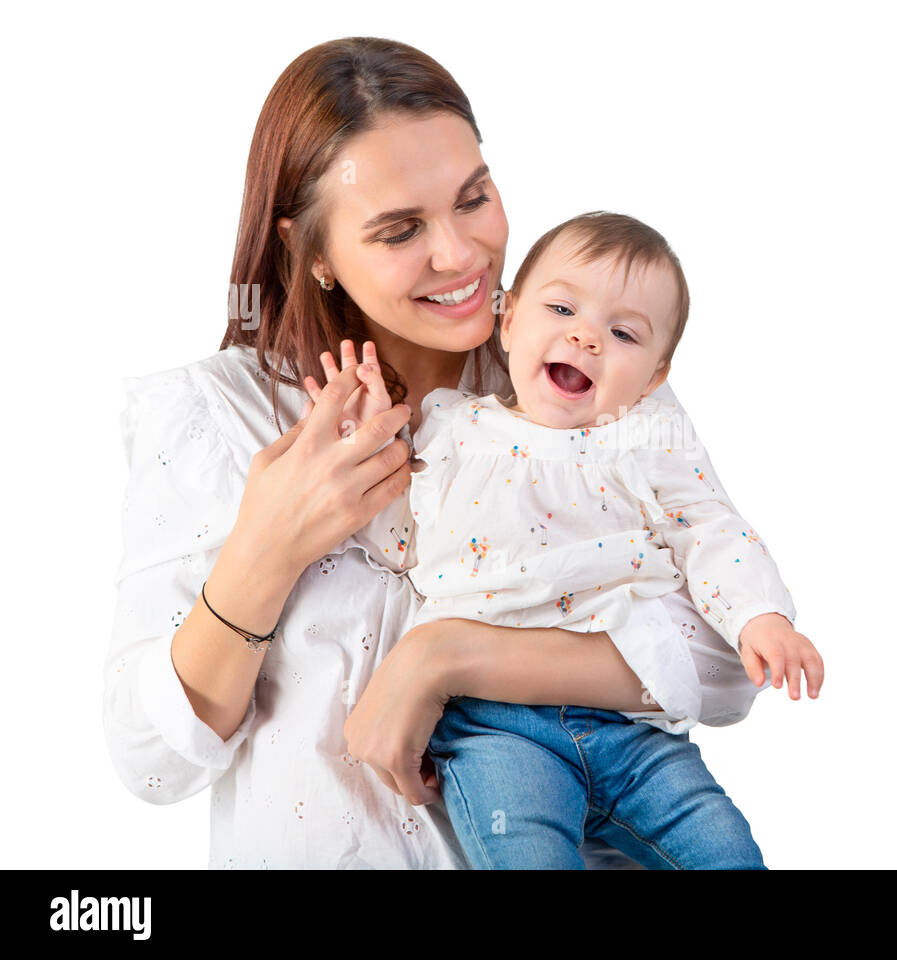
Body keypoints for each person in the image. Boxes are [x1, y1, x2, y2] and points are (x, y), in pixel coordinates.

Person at [104, 37, 766, 869]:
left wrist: (441, 656)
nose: (459, 255)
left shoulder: (583, 374)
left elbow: (724, 664)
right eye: (399, 229)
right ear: (311, 253)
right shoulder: (217, 418)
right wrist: (266, 549)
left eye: (474, 197)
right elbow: (150, 763)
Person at [306, 211, 824, 868]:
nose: (587, 337)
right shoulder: (450, 429)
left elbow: (711, 530)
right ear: (511, 319)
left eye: (624, 332)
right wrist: (364, 437)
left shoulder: (646, 438)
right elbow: (397, 540)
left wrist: (760, 615)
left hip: (635, 731)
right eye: (561, 308)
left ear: (656, 376)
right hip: (494, 725)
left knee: (725, 849)